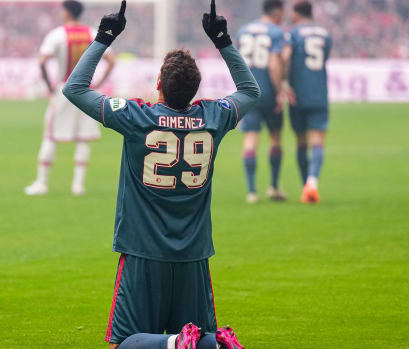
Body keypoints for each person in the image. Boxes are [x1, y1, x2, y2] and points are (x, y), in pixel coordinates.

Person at [62, 1, 258, 348]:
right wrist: (223, 41)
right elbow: (250, 90)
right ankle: (216, 343)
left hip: (142, 253)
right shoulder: (214, 118)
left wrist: (104, 37)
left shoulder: (137, 117)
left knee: (125, 343)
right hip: (193, 256)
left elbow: (74, 88)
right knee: (201, 340)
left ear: (159, 84)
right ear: (196, 89)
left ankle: (172, 344)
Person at [24, 0, 116, 196]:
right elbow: (111, 60)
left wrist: (49, 86)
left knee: (50, 136)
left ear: (66, 12)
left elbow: (42, 62)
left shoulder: (57, 34)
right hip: (87, 92)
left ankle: (42, 183)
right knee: (83, 138)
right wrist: (98, 84)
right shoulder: (92, 33)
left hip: (64, 89)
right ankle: (78, 185)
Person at [236, 0, 289, 204]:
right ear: (276, 12)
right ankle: (274, 187)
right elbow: (275, 65)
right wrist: (280, 91)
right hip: (267, 91)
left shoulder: (244, 31)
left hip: (248, 94)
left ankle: (251, 191)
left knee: (250, 139)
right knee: (275, 138)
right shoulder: (276, 32)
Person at [282, 1, 332, 203]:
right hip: (319, 94)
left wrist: (284, 82)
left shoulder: (292, 34)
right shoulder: (325, 34)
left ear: (296, 14)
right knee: (318, 141)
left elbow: (285, 57)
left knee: (301, 142)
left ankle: (306, 186)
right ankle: (312, 183)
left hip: (297, 95)